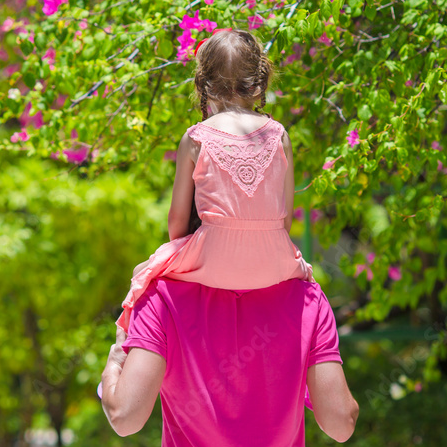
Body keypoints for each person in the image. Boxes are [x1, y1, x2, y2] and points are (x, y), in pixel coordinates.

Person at [100, 277, 359, 447]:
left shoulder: (160, 295)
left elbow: (125, 416)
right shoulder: (307, 297)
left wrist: (114, 365)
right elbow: (340, 422)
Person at [116, 28, 315, 335]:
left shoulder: (195, 137)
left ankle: (117, 361)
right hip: (275, 261)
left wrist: (182, 251)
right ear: (259, 81)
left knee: (141, 273)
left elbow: (177, 222)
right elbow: (285, 221)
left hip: (215, 258)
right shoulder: (280, 135)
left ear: (203, 83)